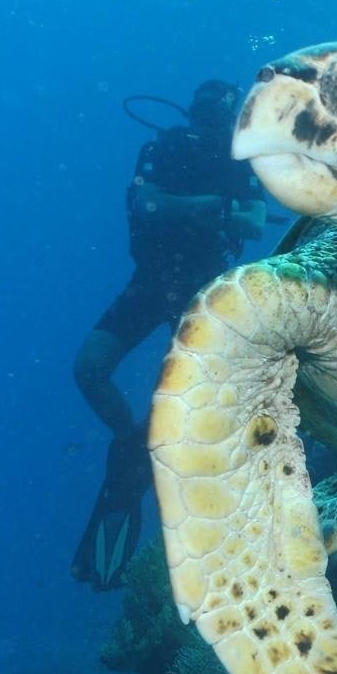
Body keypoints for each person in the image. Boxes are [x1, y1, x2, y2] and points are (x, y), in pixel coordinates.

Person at [72, 79, 267, 590]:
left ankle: (157, 457)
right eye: (205, 110)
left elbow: (255, 222)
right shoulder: (162, 148)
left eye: (220, 113)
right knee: (89, 369)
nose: (212, 121)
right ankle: (131, 440)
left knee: (176, 397)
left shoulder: (242, 159)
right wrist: (211, 207)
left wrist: (202, 208)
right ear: (192, 111)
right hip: (151, 281)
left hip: (202, 294)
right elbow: (147, 206)